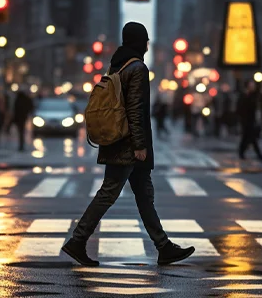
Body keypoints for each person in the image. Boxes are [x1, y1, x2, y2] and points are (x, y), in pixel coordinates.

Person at [62, 22, 195, 267]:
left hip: (119, 140)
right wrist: (140, 145)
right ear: (139, 42)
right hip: (128, 145)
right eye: (145, 40)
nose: (147, 45)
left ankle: (163, 246)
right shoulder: (137, 68)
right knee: (109, 192)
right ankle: (77, 241)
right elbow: (136, 110)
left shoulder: (118, 65)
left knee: (144, 195)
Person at [238, 80, 262, 160]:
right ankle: (256, 154)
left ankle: (242, 152)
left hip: (251, 120)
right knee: (249, 138)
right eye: (251, 85)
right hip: (246, 120)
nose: (253, 87)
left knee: (249, 138)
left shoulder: (253, 96)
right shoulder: (244, 96)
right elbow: (241, 109)